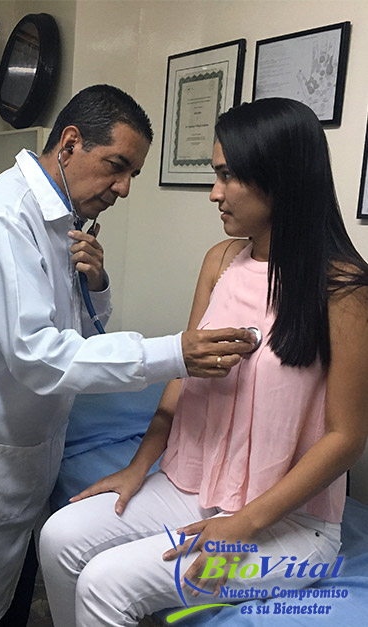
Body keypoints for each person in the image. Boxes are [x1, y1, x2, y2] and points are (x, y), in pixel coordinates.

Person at [0, 85, 256, 627]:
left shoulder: (59, 219)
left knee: (9, 599)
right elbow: (38, 356)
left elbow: (76, 334)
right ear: (69, 143)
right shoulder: (3, 217)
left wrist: (97, 282)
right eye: (117, 166)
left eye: (133, 173)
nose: (125, 188)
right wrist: (174, 353)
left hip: (24, 450)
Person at [39, 97, 368, 627]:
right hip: (194, 489)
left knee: (106, 582)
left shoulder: (343, 288)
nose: (215, 193)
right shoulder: (221, 260)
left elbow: (346, 437)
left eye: (227, 176)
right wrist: (138, 467)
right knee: (59, 535)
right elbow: (182, 372)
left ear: (279, 177)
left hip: (289, 521)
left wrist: (242, 526)